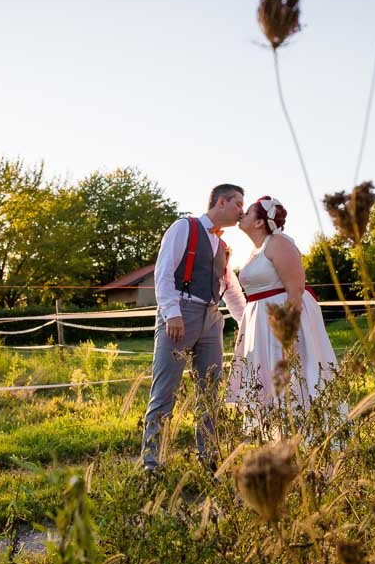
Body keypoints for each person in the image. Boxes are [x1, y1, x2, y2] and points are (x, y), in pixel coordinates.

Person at [140, 184, 247, 474]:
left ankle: (209, 457)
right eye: (238, 204)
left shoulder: (222, 246)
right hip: (180, 313)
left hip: (211, 317)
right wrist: (171, 313)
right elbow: (163, 273)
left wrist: (247, 322)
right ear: (221, 202)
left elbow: (230, 289)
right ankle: (152, 464)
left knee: (210, 391)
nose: (242, 211)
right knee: (164, 391)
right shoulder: (183, 227)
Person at [227, 196, 337, 412]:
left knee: (290, 378)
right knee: (265, 377)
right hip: (260, 324)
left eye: (248, 212)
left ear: (259, 222)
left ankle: (300, 432)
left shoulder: (279, 243)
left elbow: (296, 289)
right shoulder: (256, 251)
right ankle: (273, 433)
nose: (242, 215)